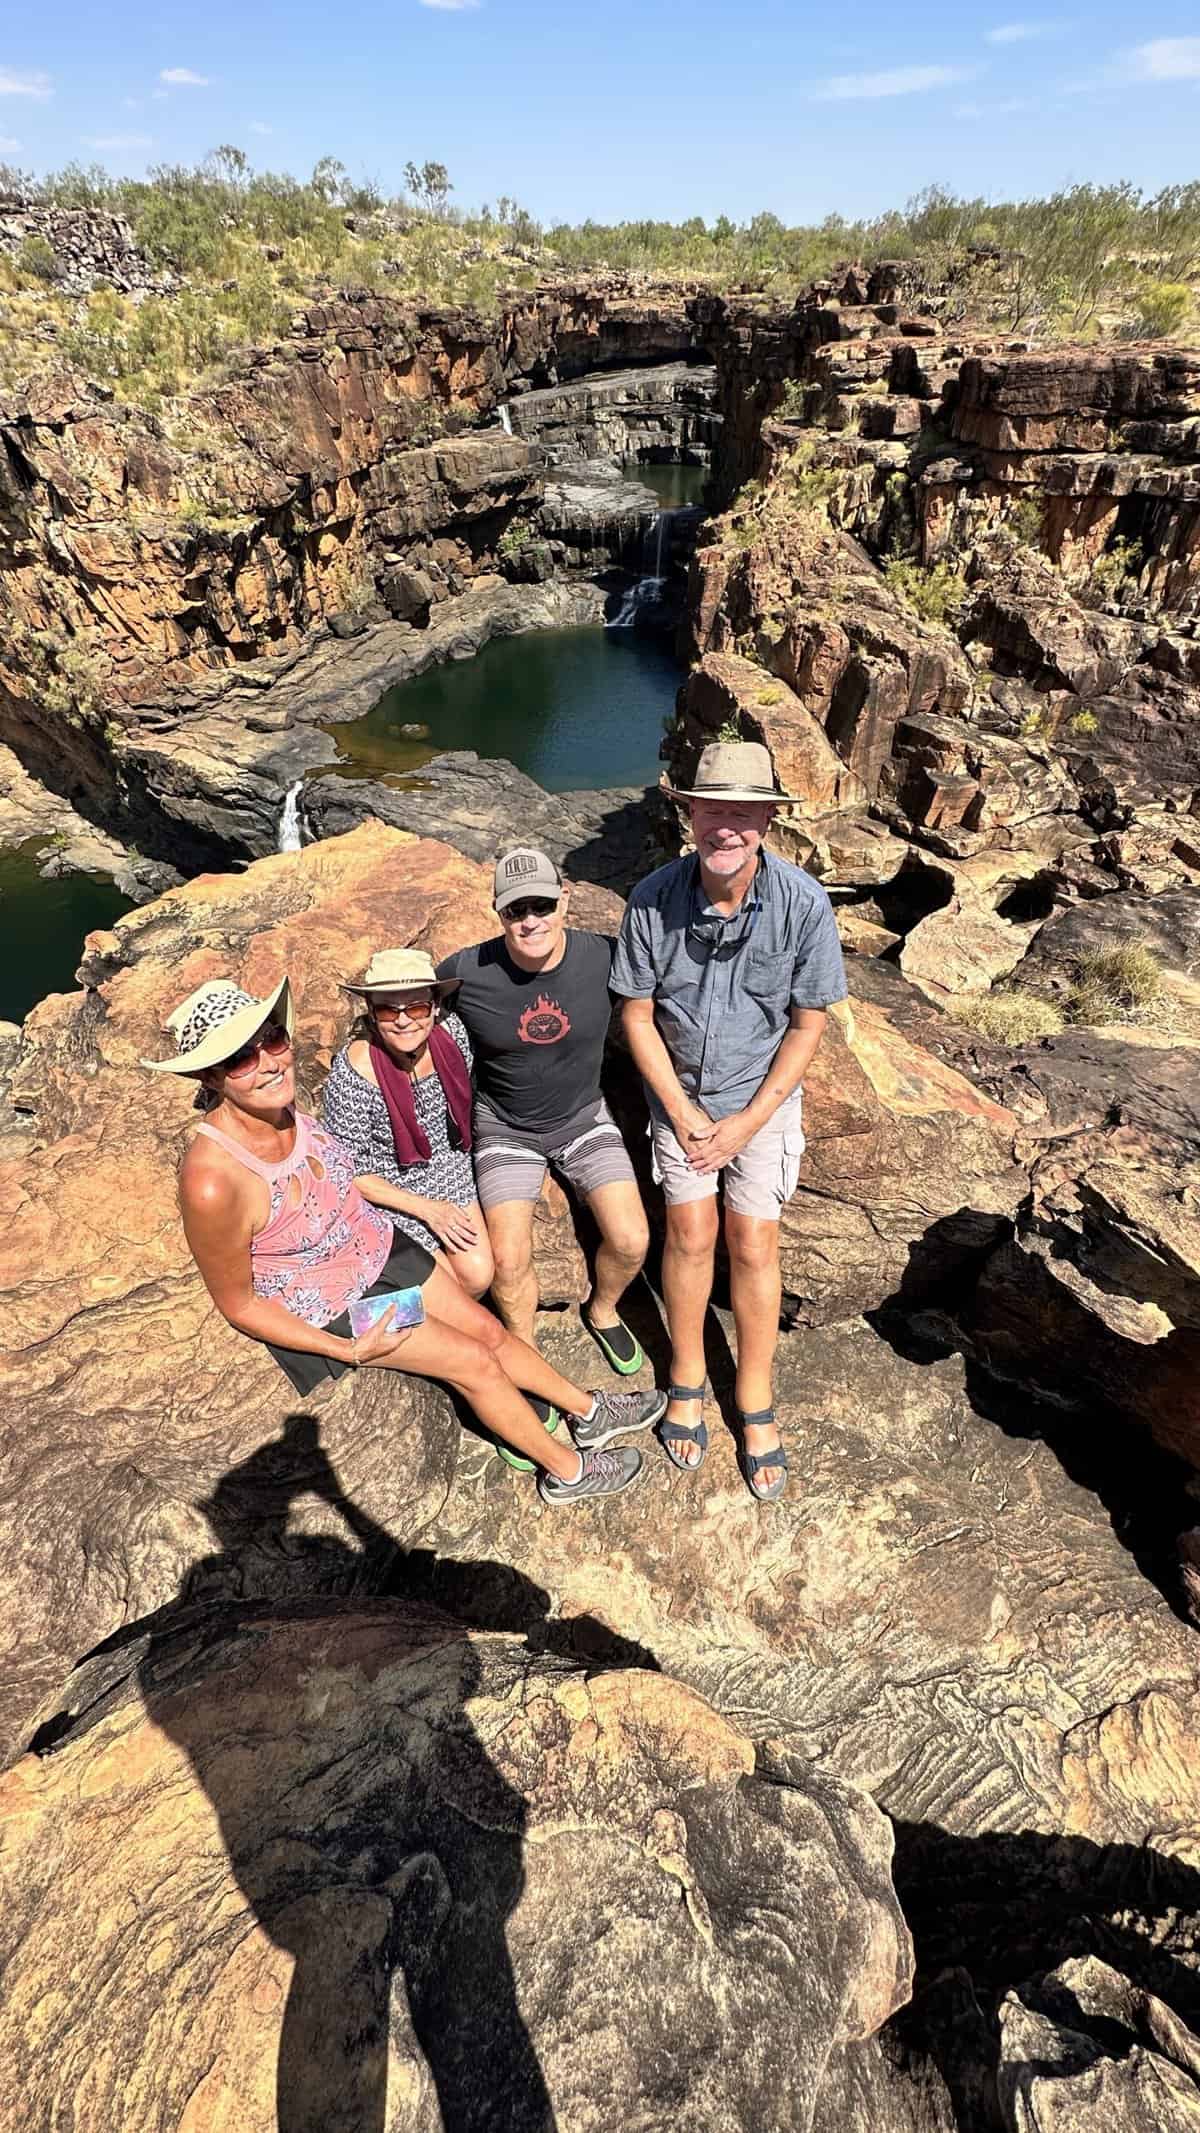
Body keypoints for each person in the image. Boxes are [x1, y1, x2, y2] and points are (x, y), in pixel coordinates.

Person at [144, 974, 664, 1505]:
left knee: (488, 1328)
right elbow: (240, 1302)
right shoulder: (213, 1180)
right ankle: (567, 1472)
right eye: (240, 1058)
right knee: (474, 1362)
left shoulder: (280, 1107)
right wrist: (343, 1349)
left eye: (272, 1039)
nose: (270, 1062)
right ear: (211, 1075)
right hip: (340, 1300)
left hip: (379, 1246)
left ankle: (587, 1411)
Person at [610, 741, 848, 1502]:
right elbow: (636, 1013)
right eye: (714, 808)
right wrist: (680, 1112)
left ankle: (753, 1395)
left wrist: (747, 1122)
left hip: (761, 1098)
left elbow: (808, 1025)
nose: (728, 827)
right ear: (690, 812)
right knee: (688, 1233)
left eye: (745, 812)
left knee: (752, 1240)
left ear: (767, 823)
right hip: (680, 1095)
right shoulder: (651, 898)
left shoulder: (803, 903)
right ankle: (685, 1374)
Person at [436, 848, 653, 1381]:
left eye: (542, 904)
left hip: (583, 1118)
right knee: (508, 1261)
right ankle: (523, 1354)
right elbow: (414, 1021)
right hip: (505, 1128)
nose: (530, 920)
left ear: (565, 900)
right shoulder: (467, 970)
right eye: (516, 910)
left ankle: (602, 1311)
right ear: (498, 912)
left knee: (631, 1239)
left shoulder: (605, 956)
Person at [322, 948, 494, 1301]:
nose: (403, 1021)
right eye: (388, 1009)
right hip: (389, 1187)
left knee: (478, 1276)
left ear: (434, 1007)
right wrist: (427, 1209)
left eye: (415, 1007)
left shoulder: (453, 1037)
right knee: (447, 1294)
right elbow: (350, 1170)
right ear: (372, 1013)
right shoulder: (354, 1074)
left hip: (449, 1167)